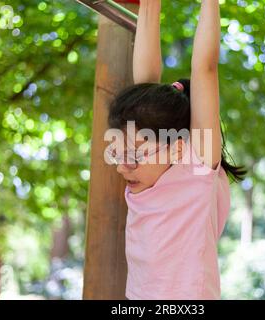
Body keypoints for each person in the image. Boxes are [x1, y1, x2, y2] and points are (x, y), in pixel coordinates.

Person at [106, 0, 246, 299]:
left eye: (135, 154)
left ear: (178, 148)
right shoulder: (146, 175)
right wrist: (149, 5)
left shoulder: (194, 170)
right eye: (119, 152)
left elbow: (205, 69)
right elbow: (144, 83)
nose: (122, 165)